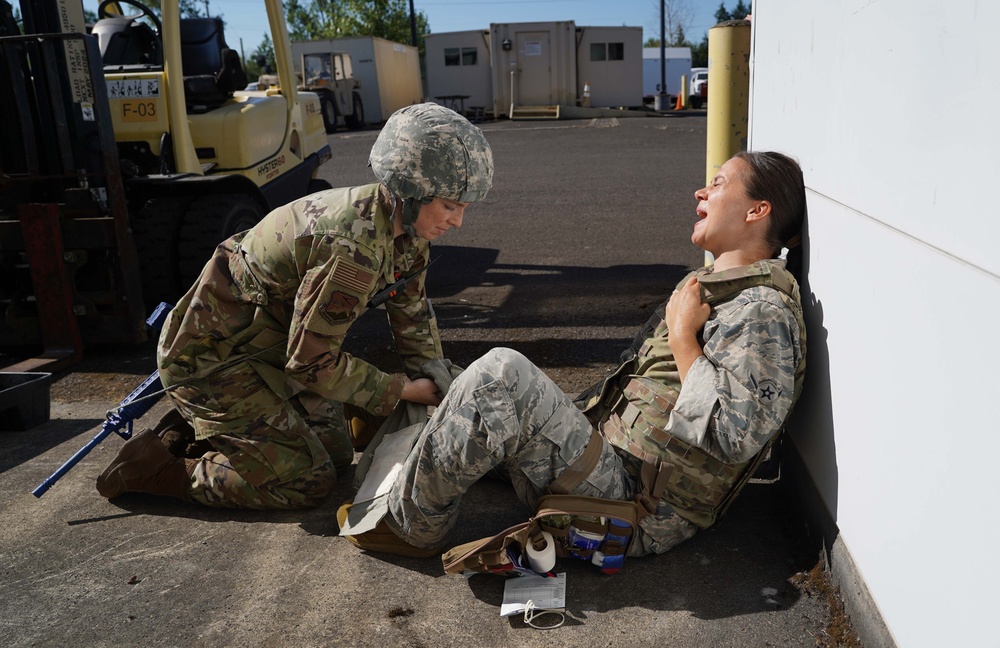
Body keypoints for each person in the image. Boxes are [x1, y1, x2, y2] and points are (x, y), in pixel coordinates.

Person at [339, 150, 807, 558]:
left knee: (499, 377)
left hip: (632, 508)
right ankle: (401, 434)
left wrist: (684, 336)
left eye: (719, 184)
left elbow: (734, 436)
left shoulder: (761, 311)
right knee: (448, 380)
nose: (700, 193)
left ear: (757, 210)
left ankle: (409, 527)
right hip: (608, 457)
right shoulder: (721, 290)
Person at [95, 102, 494, 509]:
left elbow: (413, 321)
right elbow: (310, 364)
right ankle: (154, 466)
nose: (458, 221)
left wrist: (440, 386)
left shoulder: (405, 230)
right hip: (212, 360)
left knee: (337, 457)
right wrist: (401, 391)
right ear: (410, 192)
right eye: (450, 205)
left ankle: (223, 428)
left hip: (266, 350)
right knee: (306, 481)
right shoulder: (350, 248)